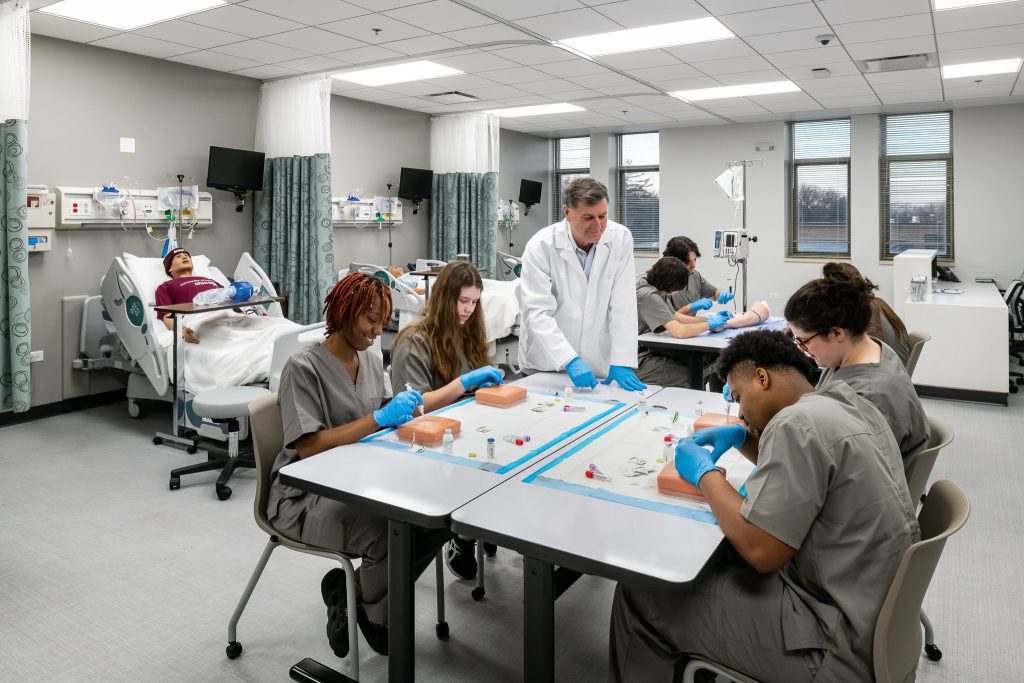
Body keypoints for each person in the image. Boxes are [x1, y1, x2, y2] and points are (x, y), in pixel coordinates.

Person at [610, 330, 919, 681]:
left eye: (739, 396)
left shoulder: (795, 424)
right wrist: (744, 438)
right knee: (710, 561)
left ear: (762, 377)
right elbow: (810, 472)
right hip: (870, 615)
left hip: (830, 641)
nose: (739, 410)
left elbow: (761, 551)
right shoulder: (845, 398)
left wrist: (704, 473)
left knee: (643, 593)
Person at [268, 272, 485, 658]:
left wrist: (454, 390)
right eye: (370, 320)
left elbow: (398, 410)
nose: (376, 331)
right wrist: (380, 419)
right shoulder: (303, 368)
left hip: (358, 481)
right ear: (344, 312)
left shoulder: (369, 358)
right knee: (387, 533)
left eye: (382, 322)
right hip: (302, 496)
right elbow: (309, 448)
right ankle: (376, 615)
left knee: (436, 519)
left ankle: (351, 592)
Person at [390, 261, 504, 581]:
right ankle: (462, 536)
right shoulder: (414, 340)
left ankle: (477, 525)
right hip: (427, 445)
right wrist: (465, 383)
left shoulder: (466, 333)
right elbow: (414, 411)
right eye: (462, 301)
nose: (468, 310)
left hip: (465, 432)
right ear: (444, 298)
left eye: (474, 302)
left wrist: (487, 386)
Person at [785, 262, 929, 461]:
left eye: (803, 341)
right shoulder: (870, 348)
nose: (803, 350)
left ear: (837, 333)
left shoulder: (868, 397)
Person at [517, 177, 645, 391]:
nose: (598, 226)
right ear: (567, 212)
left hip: (596, 365)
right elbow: (537, 313)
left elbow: (624, 304)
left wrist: (622, 359)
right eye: (588, 217)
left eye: (602, 216)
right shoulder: (541, 246)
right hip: (547, 365)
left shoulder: (620, 239)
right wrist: (569, 359)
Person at [829, 262, 913, 365]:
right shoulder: (877, 303)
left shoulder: (864, 311)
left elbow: (867, 356)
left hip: (888, 370)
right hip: (896, 366)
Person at [155, 248, 224, 343]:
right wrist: (181, 330)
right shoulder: (166, 286)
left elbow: (228, 297)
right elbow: (167, 315)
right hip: (202, 322)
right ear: (170, 268)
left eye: (186, 256)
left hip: (225, 316)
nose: (184, 257)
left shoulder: (210, 280)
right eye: (178, 257)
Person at [662, 235, 734, 314]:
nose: (693, 265)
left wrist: (722, 294)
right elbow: (667, 320)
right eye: (688, 261)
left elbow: (714, 293)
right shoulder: (661, 283)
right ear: (673, 261)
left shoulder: (694, 276)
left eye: (695, 259)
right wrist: (690, 308)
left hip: (691, 325)